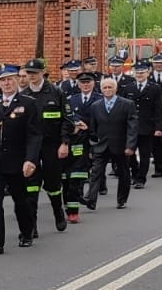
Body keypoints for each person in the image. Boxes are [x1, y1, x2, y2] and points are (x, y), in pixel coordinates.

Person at [0, 64, 41, 256]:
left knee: (20, 200)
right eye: (3, 80)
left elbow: (34, 135)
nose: (6, 83)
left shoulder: (28, 103)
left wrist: (30, 159)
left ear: (17, 80)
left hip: (17, 160)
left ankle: (26, 231)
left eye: (10, 79)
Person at [21, 59, 72, 232]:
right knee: (31, 184)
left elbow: (66, 120)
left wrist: (64, 143)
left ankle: (58, 212)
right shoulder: (24, 95)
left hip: (52, 144)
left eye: (35, 72)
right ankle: (32, 224)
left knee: (52, 183)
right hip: (31, 147)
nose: (32, 76)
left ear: (43, 72)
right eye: (29, 73)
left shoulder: (56, 92)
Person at [86, 76, 139, 209]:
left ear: (116, 88)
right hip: (101, 145)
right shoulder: (95, 106)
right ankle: (91, 200)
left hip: (121, 146)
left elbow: (132, 127)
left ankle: (121, 200)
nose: (108, 90)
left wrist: (130, 146)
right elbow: (93, 128)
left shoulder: (127, 104)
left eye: (110, 87)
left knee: (123, 172)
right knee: (96, 172)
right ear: (101, 89)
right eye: (105, 87)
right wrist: (93, 146)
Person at [63, 71, 100, 222]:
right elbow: (67, 115)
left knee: (83, 174)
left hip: (92, 139)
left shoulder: (99, 99)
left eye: (88, 82)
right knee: (71, 177)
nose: (85, 85)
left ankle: (80, 199)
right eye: (82, 83)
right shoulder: (71, 99)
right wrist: (76, 122)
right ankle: (72, 205)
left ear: (93, 83)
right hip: (75, 140)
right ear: (78, 84)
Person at [125, 59, 162, 188]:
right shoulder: (128, 88)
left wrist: (158, 127)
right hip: (130, 127)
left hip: (147, 127)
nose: (139, 75)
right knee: (129, 153)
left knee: (145, 155)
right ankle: (134, 172)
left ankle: (141, 178)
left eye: (142, 72)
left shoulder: (154, 88)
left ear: (148, 73)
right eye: (137, 72)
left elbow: (159, 109)